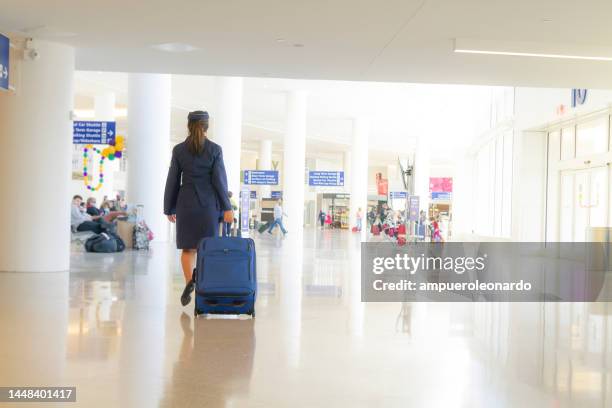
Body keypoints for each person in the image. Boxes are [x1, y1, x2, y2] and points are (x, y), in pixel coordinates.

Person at [164, 110, 234, 307]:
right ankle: (204, 286)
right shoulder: (214, 149)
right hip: (208, 206)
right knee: (207, 248)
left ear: (189, 125)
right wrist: (227, 207)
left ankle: (189, 282)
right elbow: (219, 181)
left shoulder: (179, 150)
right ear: (206, 126)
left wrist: (169, 207)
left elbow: (172, 180)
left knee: (188, 249)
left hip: (185, 204)